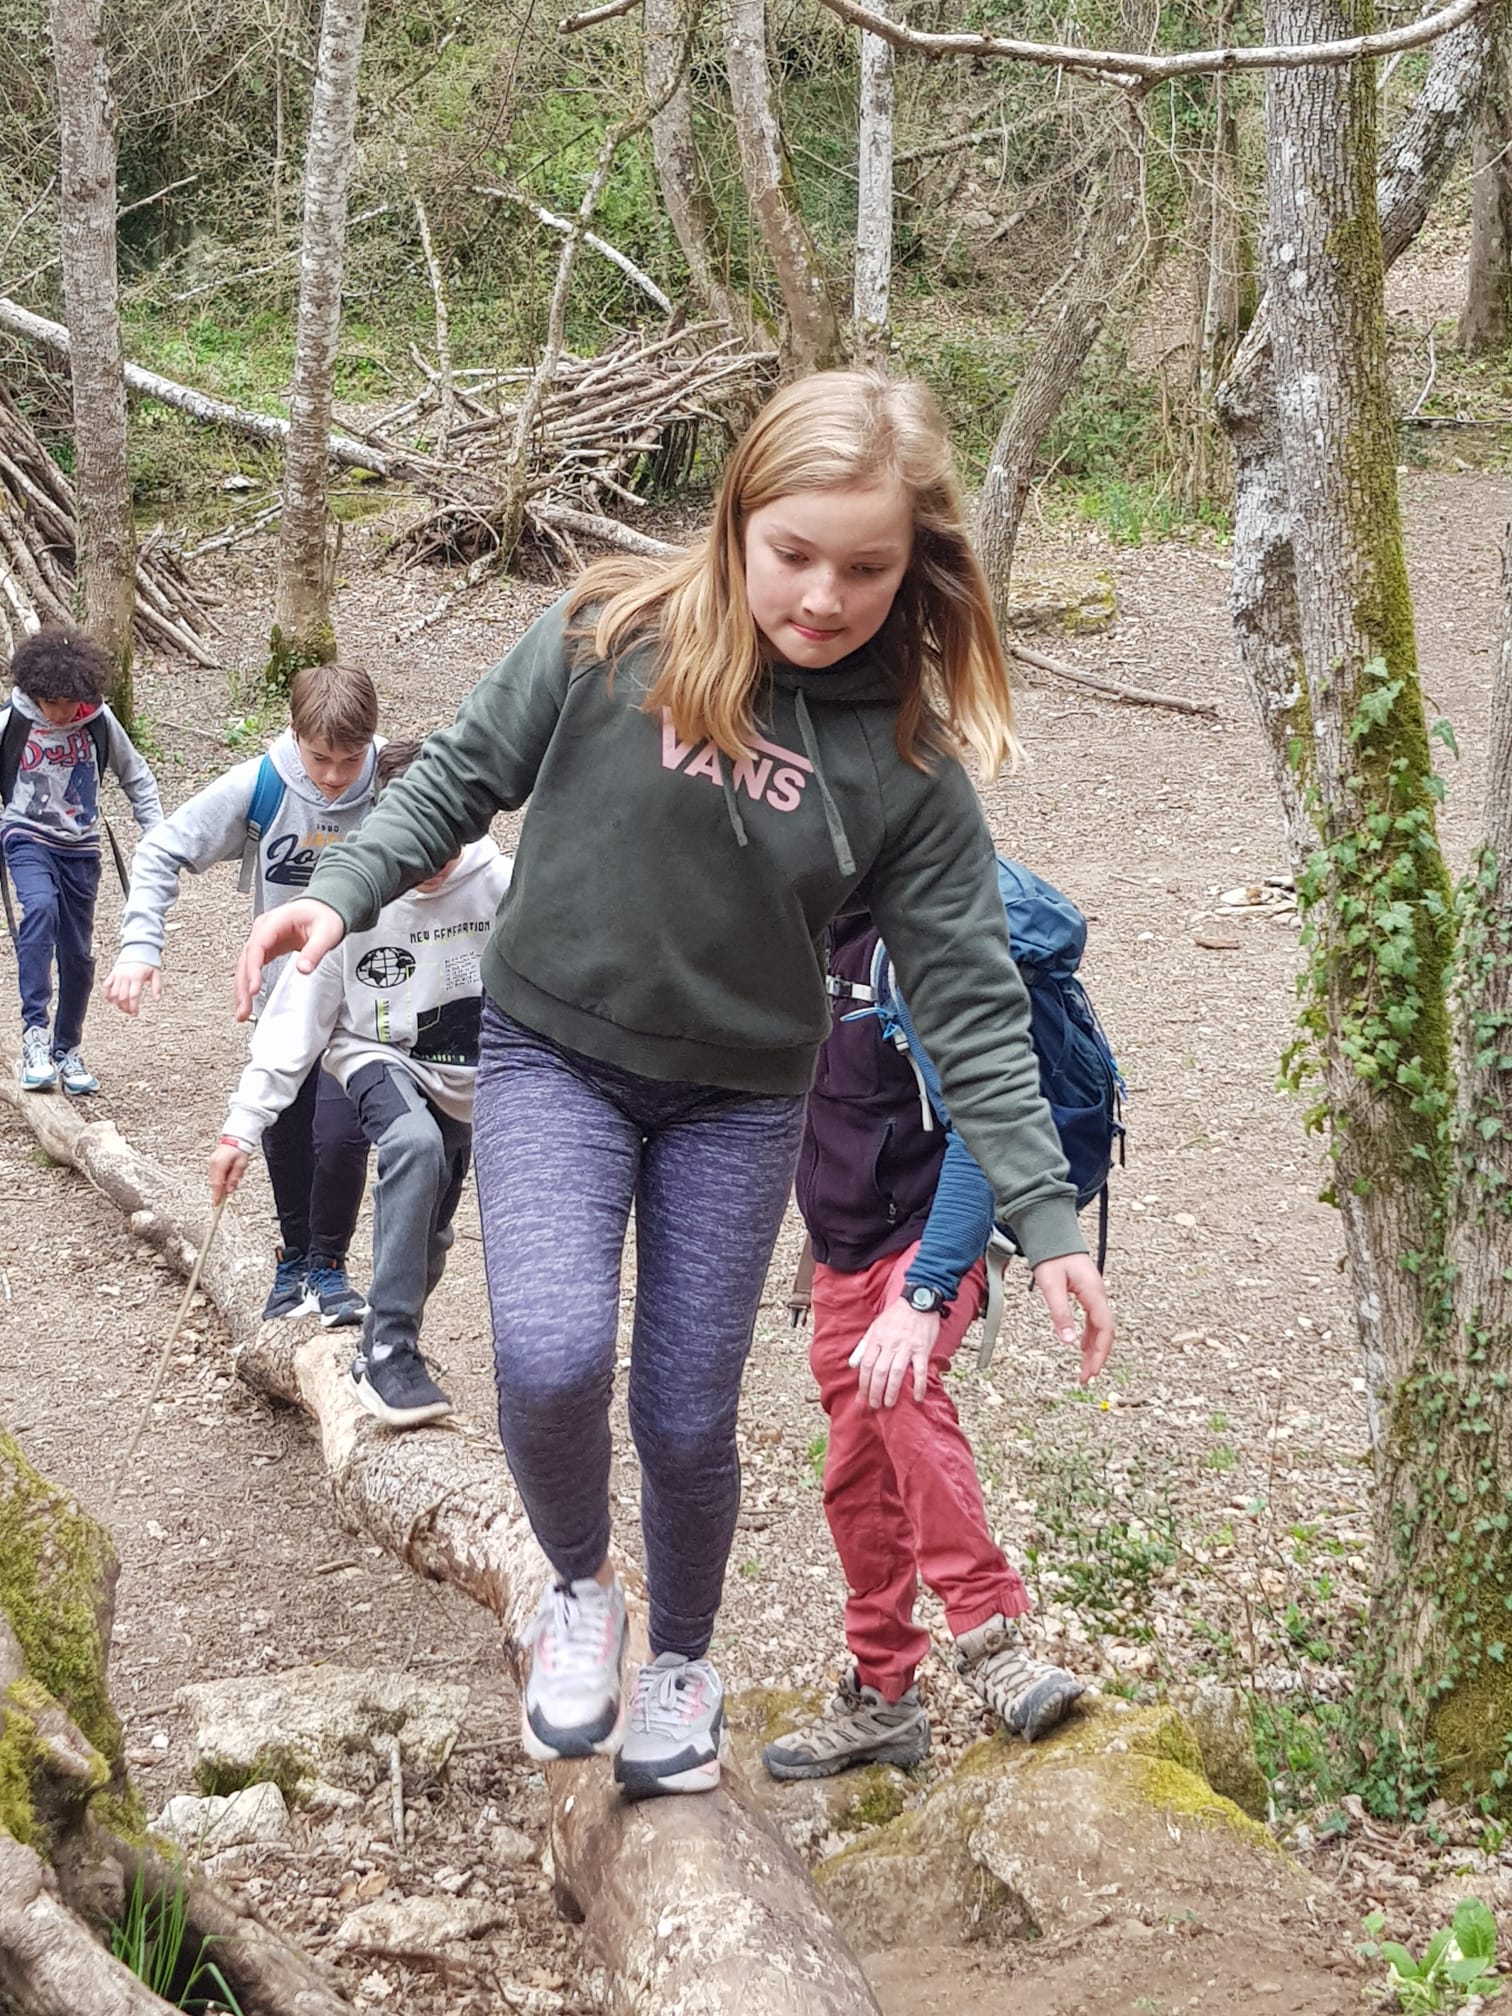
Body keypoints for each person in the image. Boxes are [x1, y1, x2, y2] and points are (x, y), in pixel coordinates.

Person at [232, 370, 1114, 1802]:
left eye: (867, 568)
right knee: (551, 1359)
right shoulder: (610, 634)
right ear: (737, 520)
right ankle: (581, 1589)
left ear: (915, 564)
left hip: (737, 1102)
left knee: (689, 1416)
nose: (824, 596)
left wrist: (1049, 1218)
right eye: (795, 553)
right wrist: (337, 896)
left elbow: (971, 1001)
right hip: (551, 1057)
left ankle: (684, 1663)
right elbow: (456, 777)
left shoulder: (906, 763)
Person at [763, 898, 1103, 1783]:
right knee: (853, 1473)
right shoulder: (799, 925)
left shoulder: (914, 947)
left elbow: (983, 1128)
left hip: (932, 1238)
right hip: (842, 1247)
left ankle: (992, 1641)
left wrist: (922, 1293)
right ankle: (883, 1698)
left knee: (902, 1388)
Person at [209, 738, 512, 1427]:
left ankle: (388, 1327)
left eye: (446, 836)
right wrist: (241, 1127)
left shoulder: (501, 885)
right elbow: (296, 1020)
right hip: (377, 1052)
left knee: (430, 1237)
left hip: (466, 1076)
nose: (429, 861)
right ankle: (387, 1350)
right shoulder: (350, 899)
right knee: (414, 1146)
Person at [105, 661, 381, 1326]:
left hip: (367, 1000)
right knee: (285, 1126)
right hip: (285, 994)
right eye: (320, 758)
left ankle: (330, 1265)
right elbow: (162, 848)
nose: (335, 776)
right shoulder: (263, 785)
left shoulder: (392, 782)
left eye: (350, 759)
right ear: (295, 733)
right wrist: (141, 946)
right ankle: (295, 1260)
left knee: (341, 1134)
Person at [2, 627, 163, 1096]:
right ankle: (34, 1034)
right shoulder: (12, 722)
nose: (62, 712)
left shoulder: (99, 721)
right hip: (26, 836)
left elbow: (137, 777)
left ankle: (66, 1047)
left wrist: (157, 838)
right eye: (52, 702)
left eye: (70, 702)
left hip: (81, 847)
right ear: (35, 692)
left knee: (77, 953)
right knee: (40, 910)